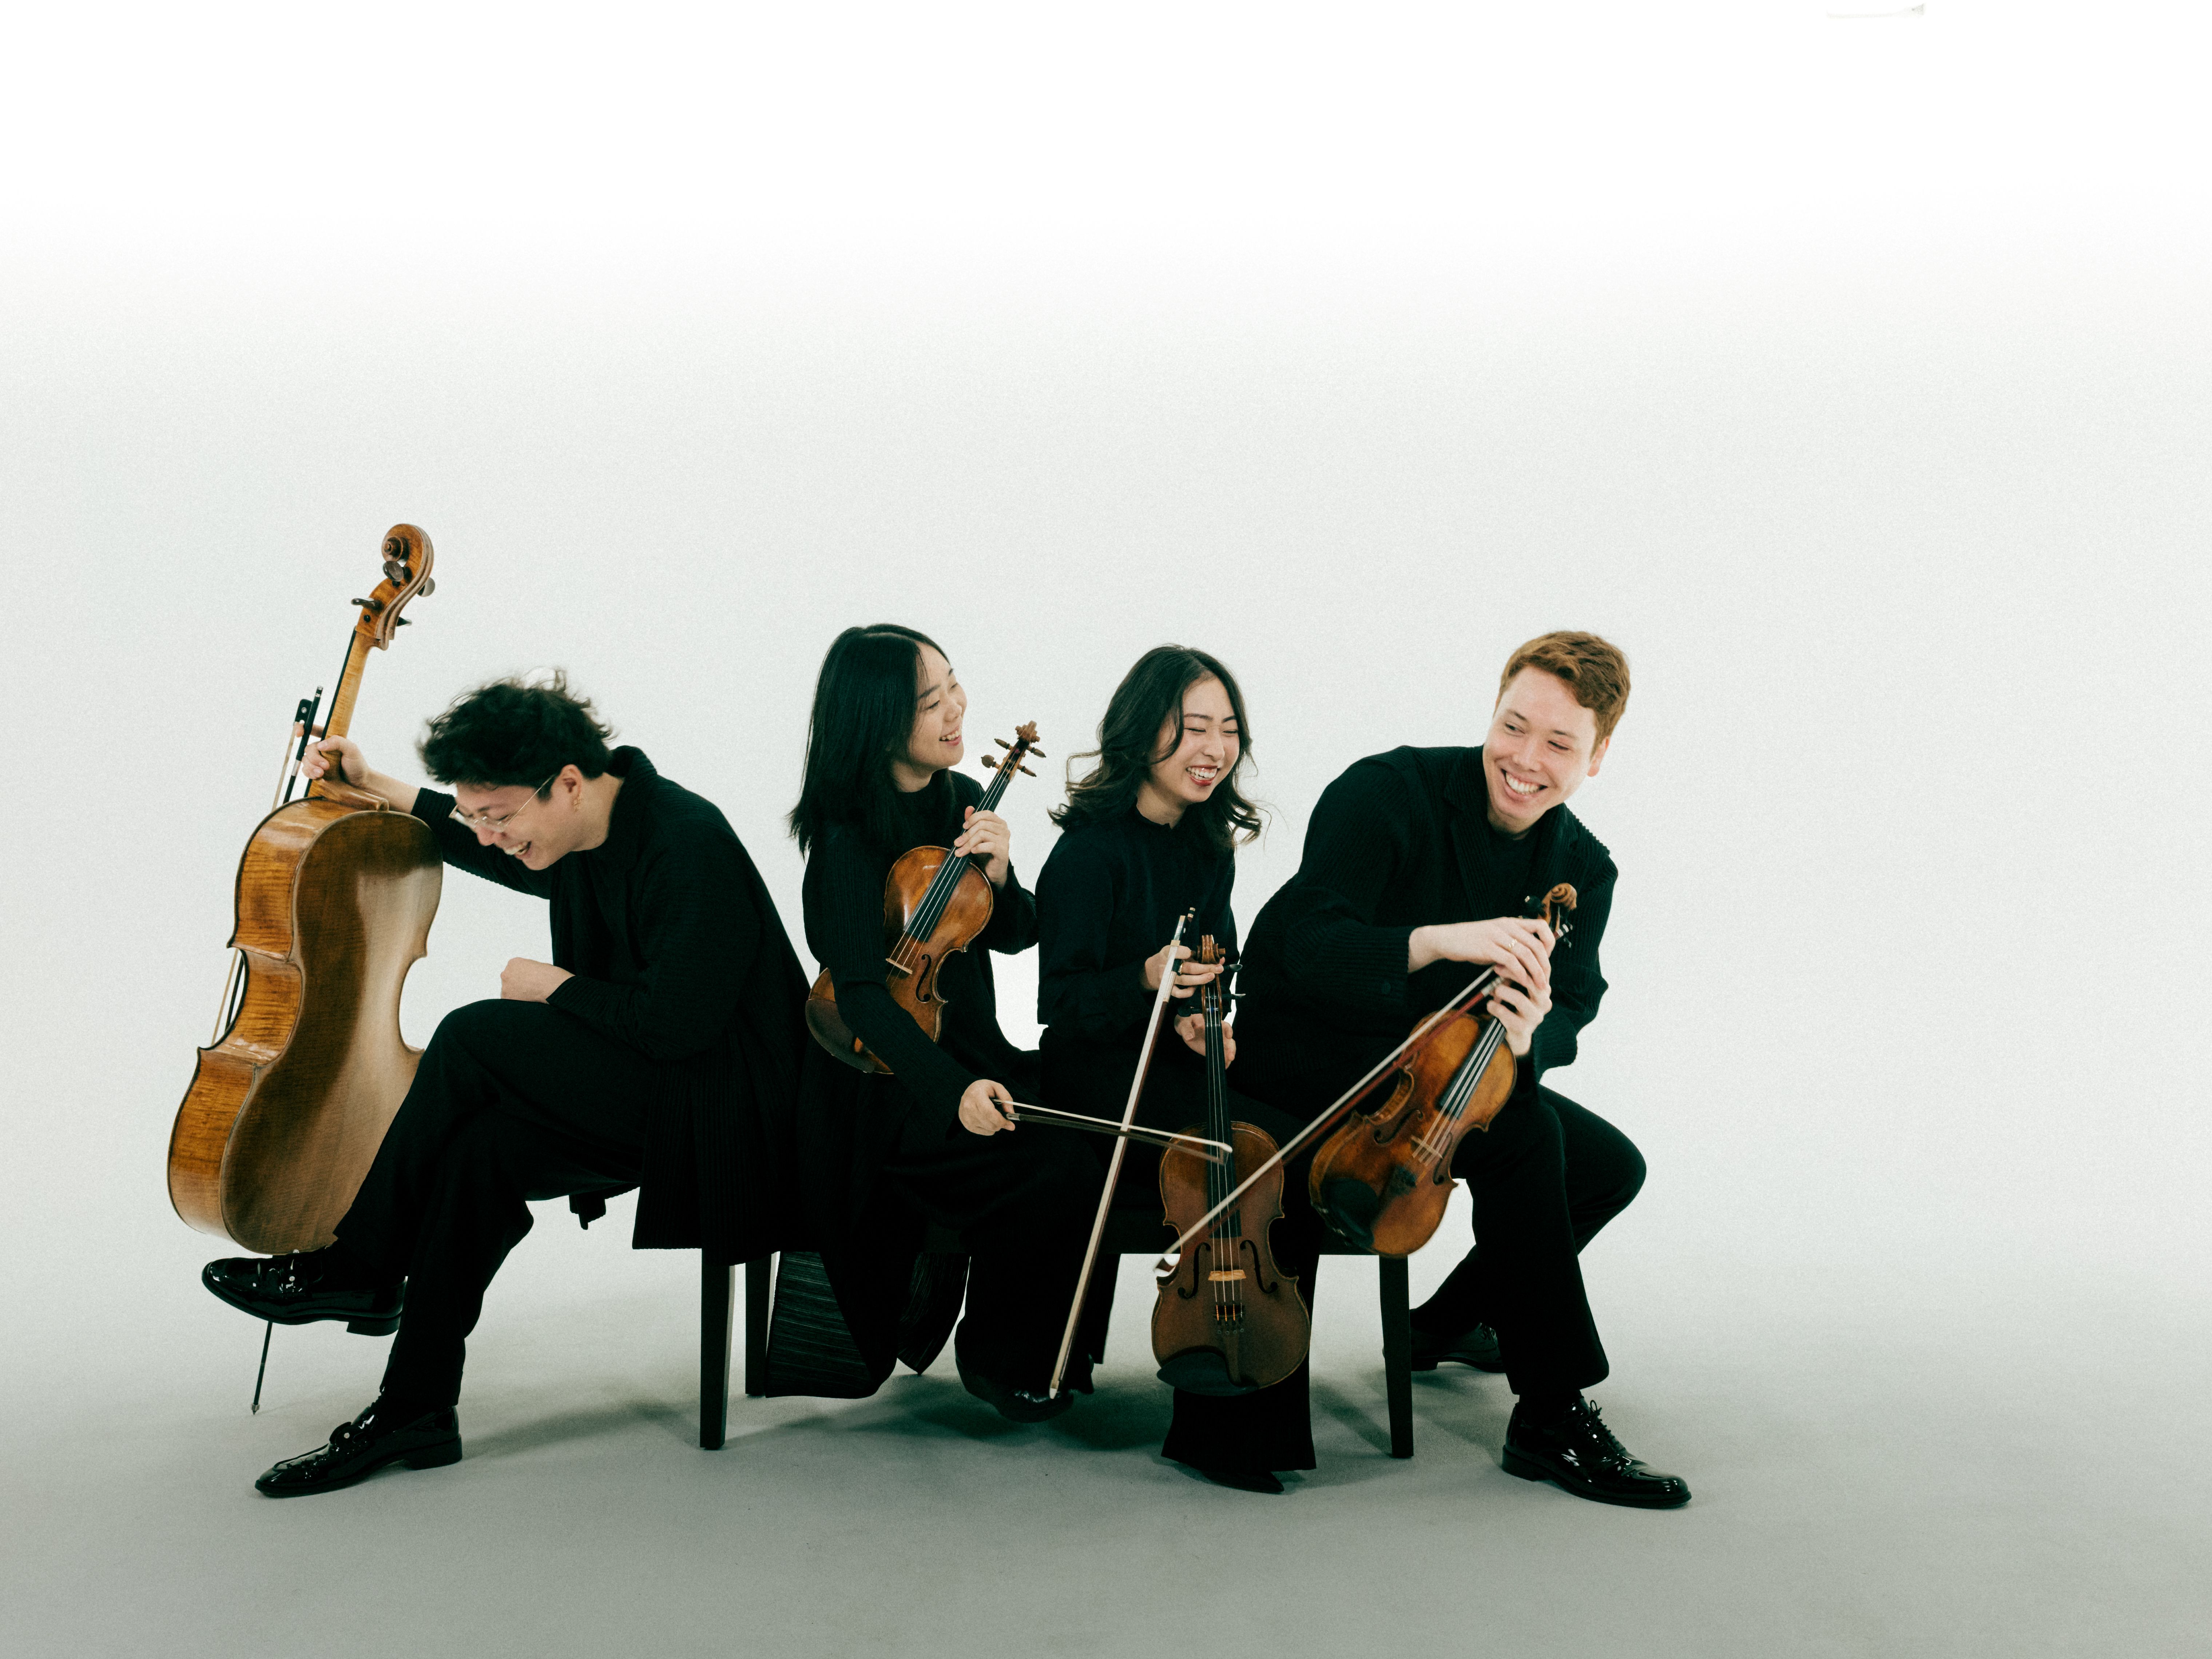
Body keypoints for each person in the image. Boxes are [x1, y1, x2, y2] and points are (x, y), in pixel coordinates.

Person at [200, 673, 807, 1496]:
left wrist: (555, 987)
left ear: (568, 784)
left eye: (500, 816)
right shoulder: (582, 832)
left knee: (473, 1035)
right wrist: (374, 784)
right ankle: (415, 1407)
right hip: (653, 1082)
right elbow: (485, 843)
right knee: (477, 1153)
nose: (489, 837)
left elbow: (677, 1028)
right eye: (477, 816)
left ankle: (363, 1266)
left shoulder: (685, 840)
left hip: (726, 1108)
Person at [1234, 631, 1690, 1509]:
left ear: (1596, 757)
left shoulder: (1583, 869)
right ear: (1493, 711)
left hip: (1434, 1076)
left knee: (1608, 1167)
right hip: (1309, 1051)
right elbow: (1306, 944)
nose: (1524, 761)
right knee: (1527, 1132)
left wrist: (1530, 1035)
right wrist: (1440, 941)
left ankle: (1442, 1324)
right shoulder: (1384, 793)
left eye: (1558, 744)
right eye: (1512, 726)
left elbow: (1575, 1000)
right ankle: (1549, 1413)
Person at [1034, 645, 1327, 1495]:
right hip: (1096, 1076)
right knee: (1244, 1161)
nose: (1215, 748)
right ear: (1141, 733)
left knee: (1294, 1158)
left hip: (1169, 1062)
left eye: (1227, 729)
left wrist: (1207, 1017)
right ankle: (1214, 1428)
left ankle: (1257, 1403)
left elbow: (1213, 964)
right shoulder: (1088, 854)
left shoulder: (1207, 845)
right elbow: (1061, 1001)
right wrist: (1144, 978)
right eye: (1194, 727)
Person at [789, 624, 1099, 1422]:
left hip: (968, 1051)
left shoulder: (962, 799)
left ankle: (1049, 1348)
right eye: (931, 701)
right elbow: (862, 998)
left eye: (953, 685)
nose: (956, 708)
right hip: (884, 1085)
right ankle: (999, 1358)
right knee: (1048, 1160)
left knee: (1087, 1115)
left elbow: (1014, 932)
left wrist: (1001, 872)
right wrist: (951, 1091)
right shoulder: (846, 839)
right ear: (879, 720)